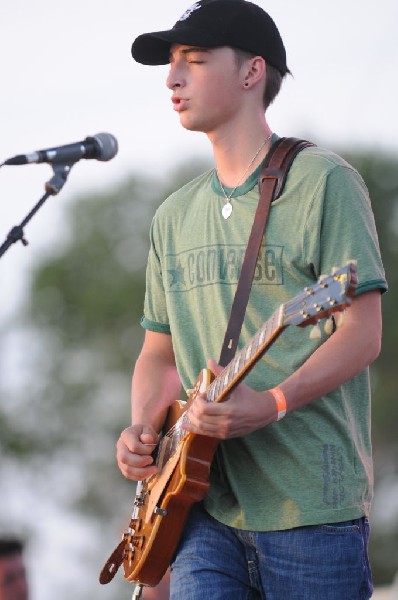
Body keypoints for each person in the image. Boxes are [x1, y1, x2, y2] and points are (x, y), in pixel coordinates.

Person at [117, 1, 387, 598]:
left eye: (194, 59)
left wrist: (273, 402)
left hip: (310, 511)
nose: (172, 77)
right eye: (171, 64)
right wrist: (141, 430)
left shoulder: (324, 182)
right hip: (197, 507)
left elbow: (363, 334)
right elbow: (159, 357)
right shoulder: (172, 215)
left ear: (251, 72)